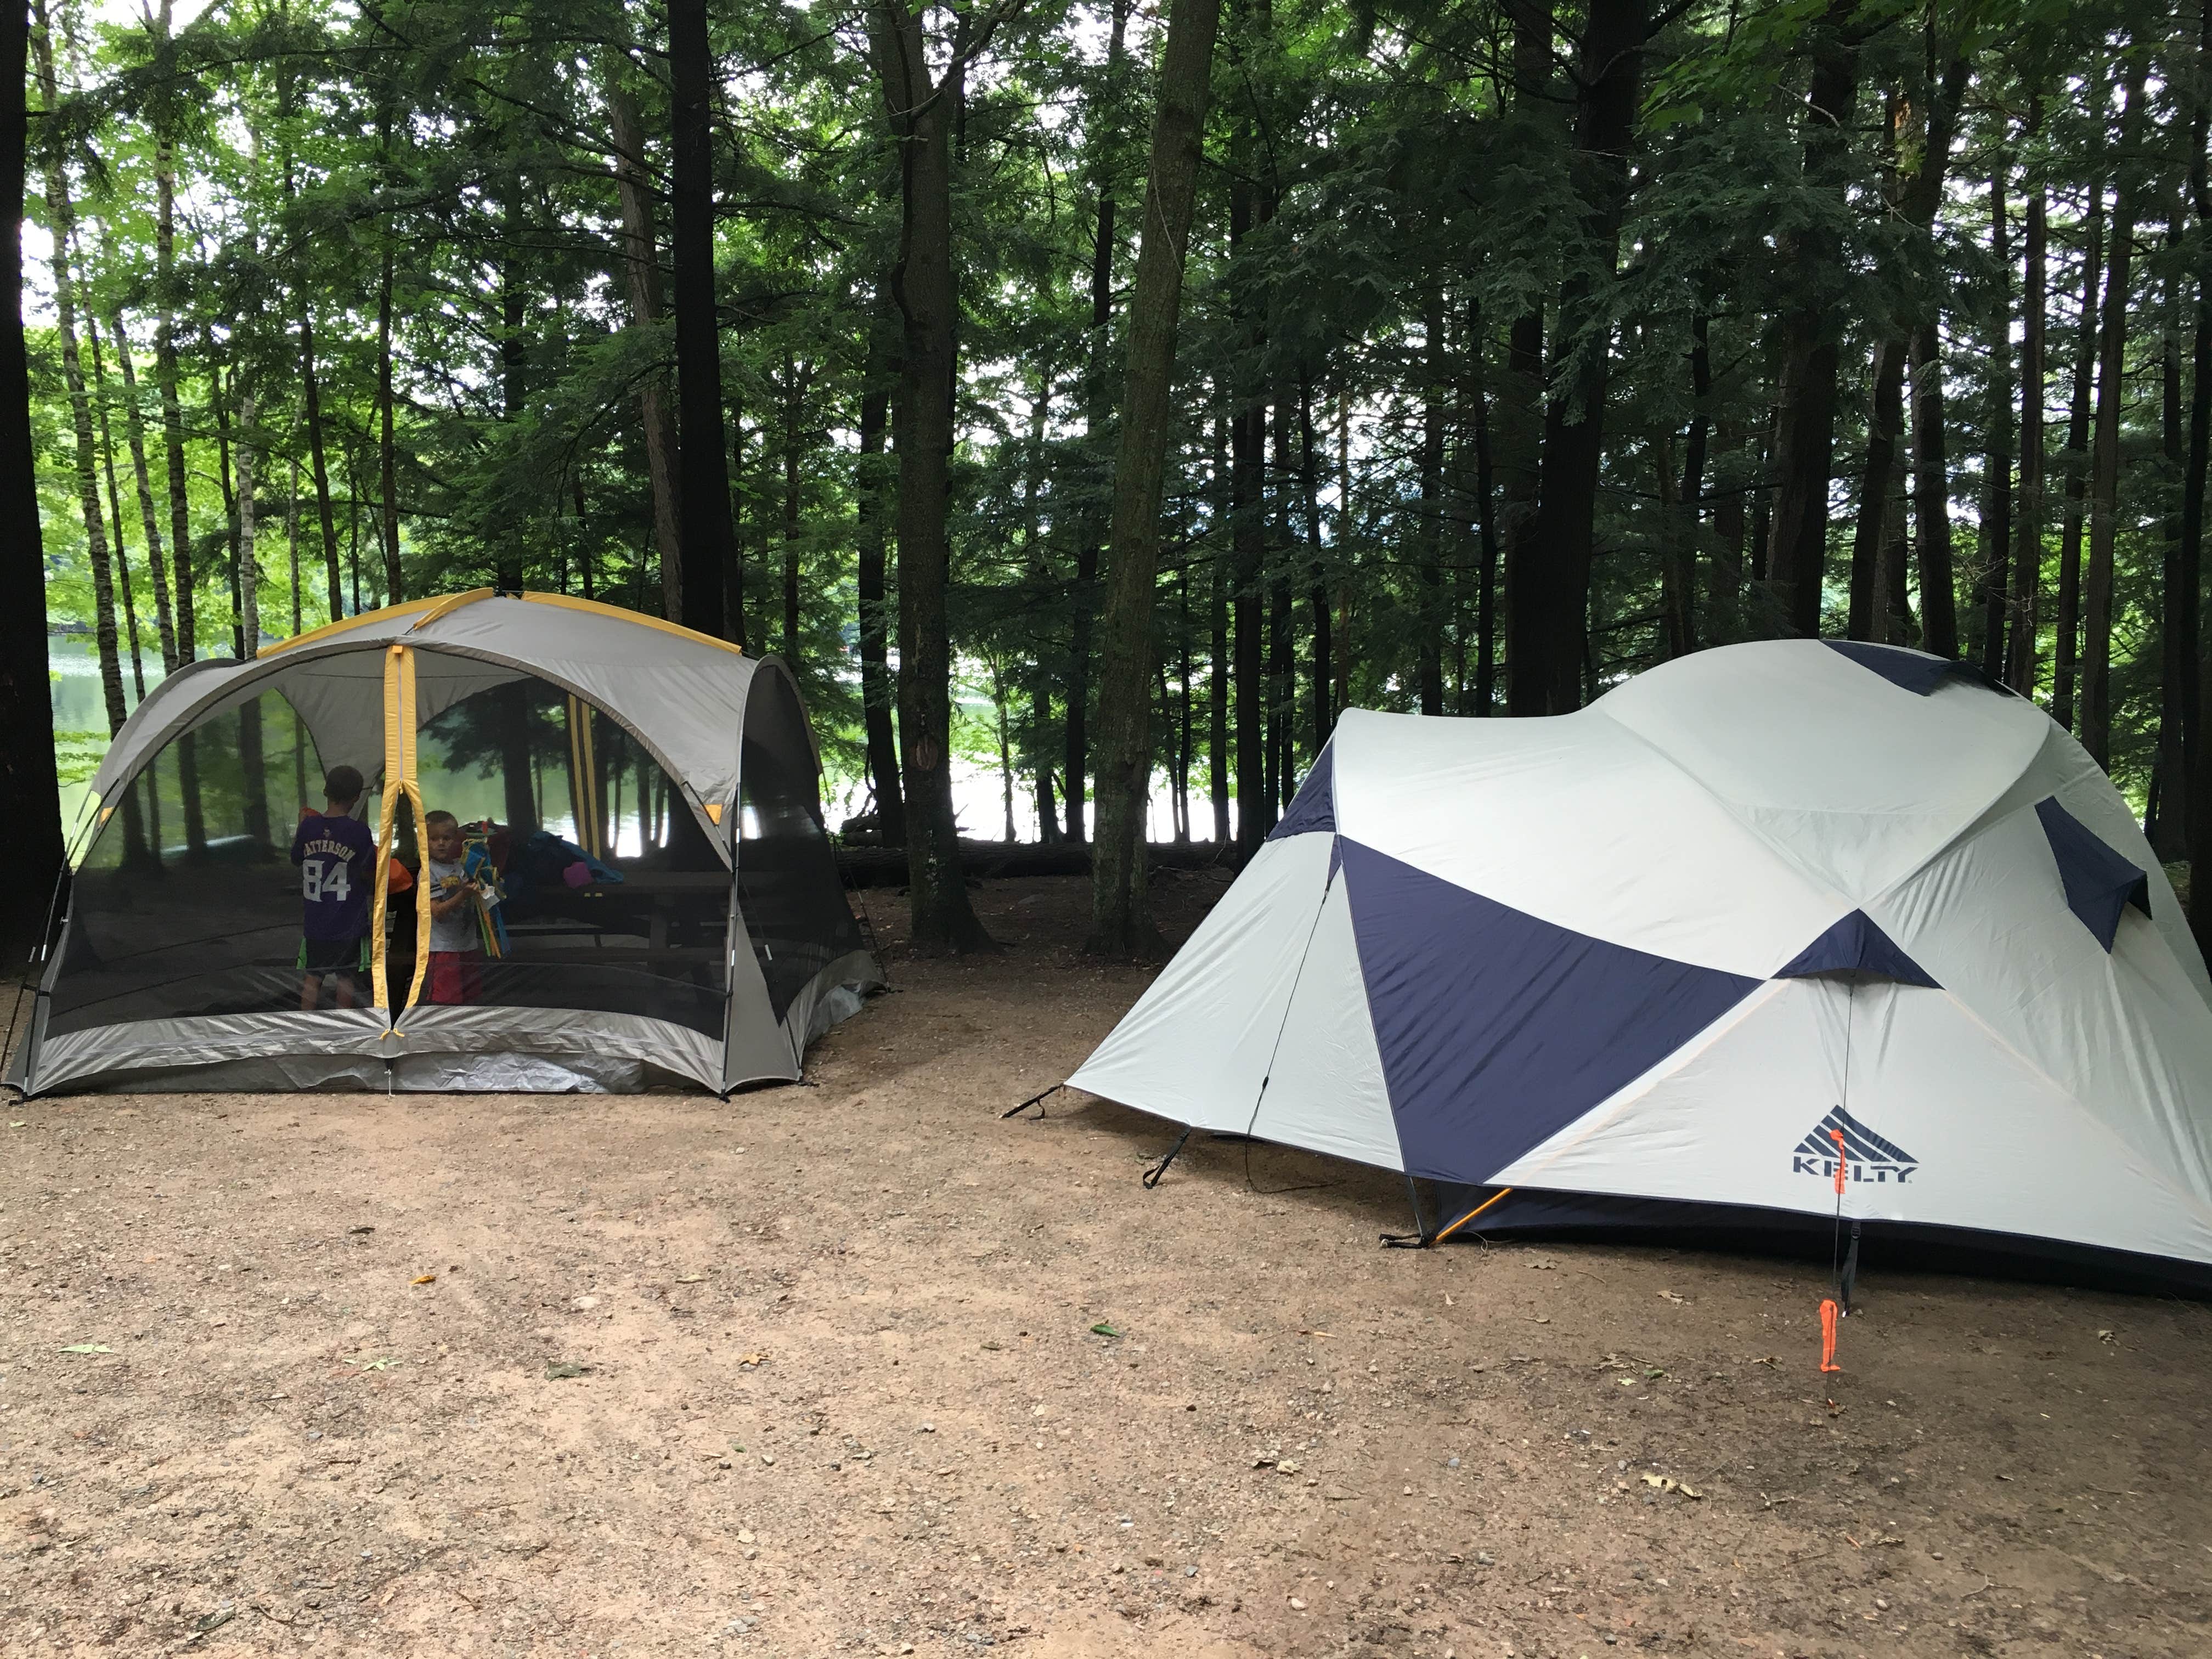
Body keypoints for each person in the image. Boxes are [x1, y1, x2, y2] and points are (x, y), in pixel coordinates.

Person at [291, 765, 375, 1012]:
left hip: (316, 921)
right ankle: (344, 1025)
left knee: (313, 976)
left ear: (326, 791)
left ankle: (306, 1023)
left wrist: (302, 827)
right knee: (346, 977)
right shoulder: (359, 832)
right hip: (349, 922)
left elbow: (297, 859)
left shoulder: (309, 827)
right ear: (357, 797)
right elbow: (370, 869)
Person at [423, 810, 498, 1005]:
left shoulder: (464, 866)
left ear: (457, 840)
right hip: (443, 948)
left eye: (447, 838)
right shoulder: (429, 872)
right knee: (446, 1000)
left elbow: (485, 894)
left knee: (471, 998)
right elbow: (437, 912)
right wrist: (463, 894)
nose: (441, 843)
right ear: (425, 841)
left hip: (467, 944)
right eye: (434, 839)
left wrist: (487, 880)